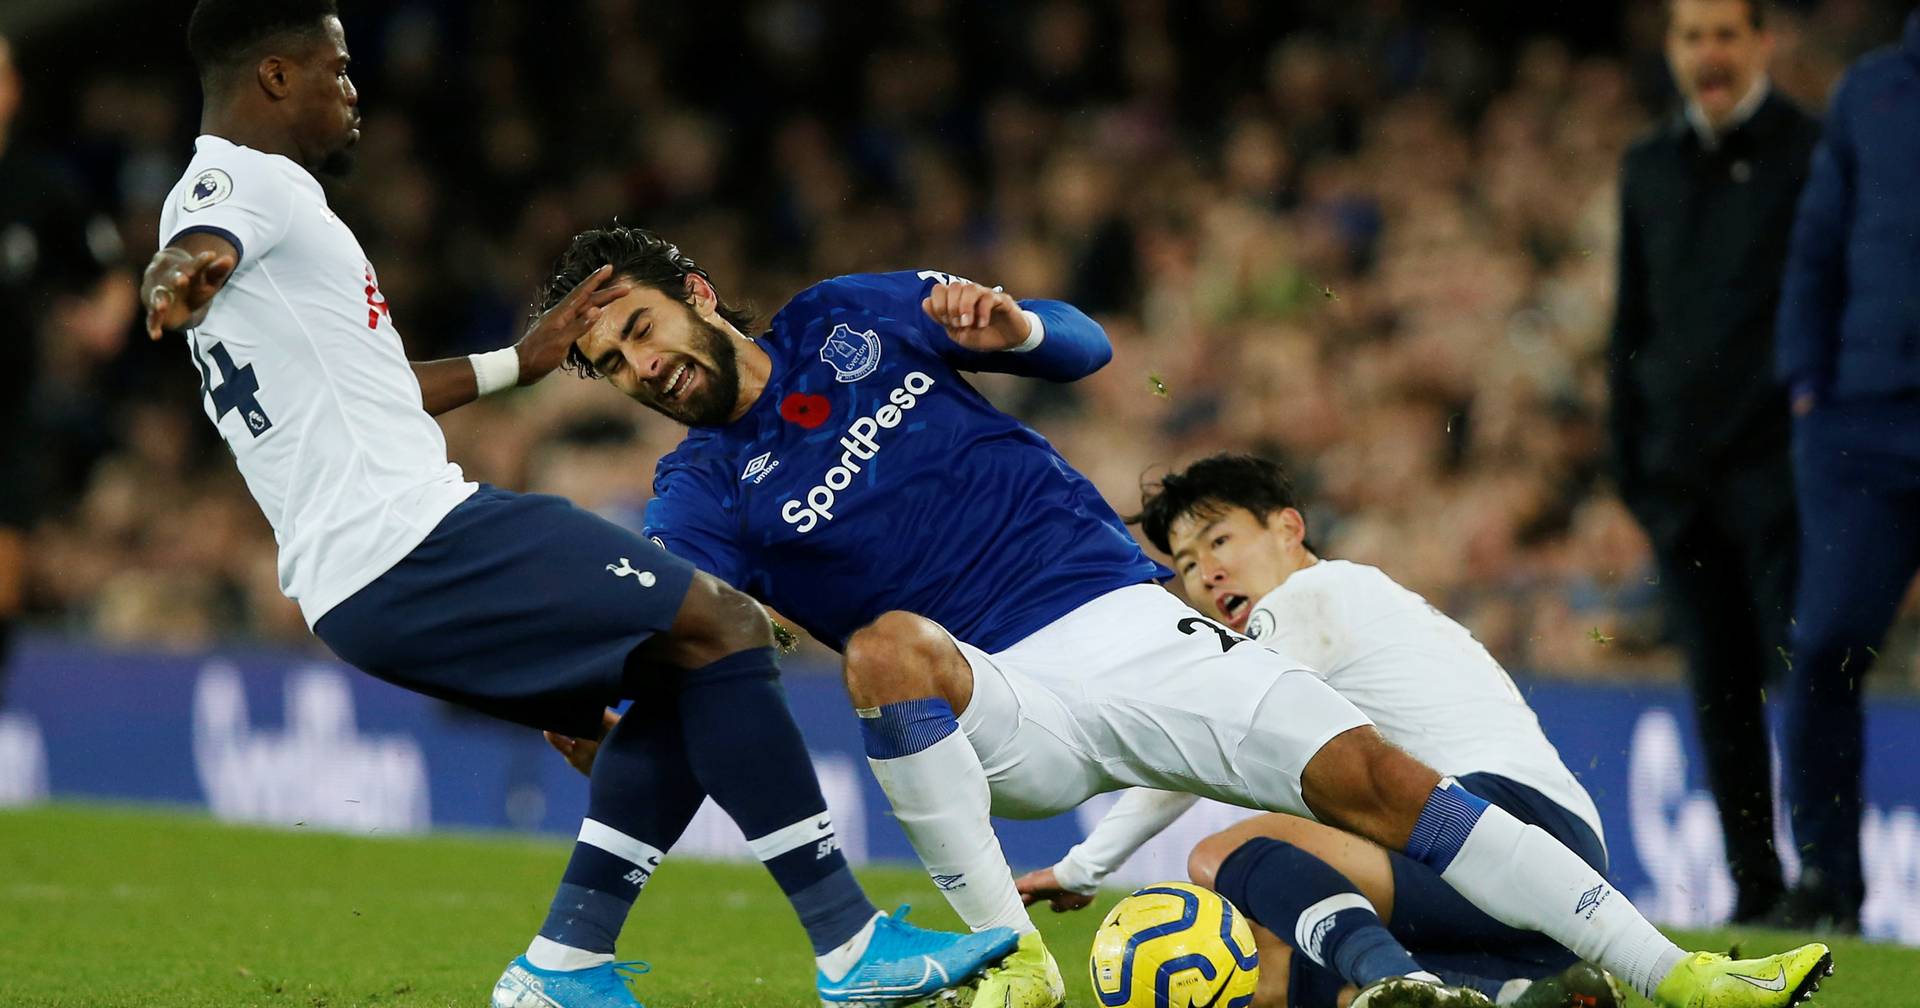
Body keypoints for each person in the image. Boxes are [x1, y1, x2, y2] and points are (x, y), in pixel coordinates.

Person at [538, 222, 1831, 1008]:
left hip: (1131, 621)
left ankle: (1683, 971)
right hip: (1000, 703)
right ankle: (1008, 962)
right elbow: (683, 618)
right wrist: (598, 694)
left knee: (1380, 776)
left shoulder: (846, 317)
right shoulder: (700, 487)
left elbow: (1085, 349)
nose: (640, 368)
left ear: (696, 293)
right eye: (610, 365)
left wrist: (1019, 320)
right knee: (884, 647)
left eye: (639, 330)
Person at [137, 4, 1016, 1007]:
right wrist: (181, 269)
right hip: (411, 539)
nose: (354, 94)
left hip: (364, 576)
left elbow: (371, 385)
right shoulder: (241, 186)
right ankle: (848, 947)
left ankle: (566, 966)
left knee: (688, 675)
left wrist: (526, 359)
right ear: (278, 77)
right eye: (337, 71)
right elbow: (204, 237)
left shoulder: (269, 205)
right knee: (723, 624)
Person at [1012, 454, 1618, 1008]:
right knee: (1268, 968)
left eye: (1221, 540)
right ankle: (1509, 995)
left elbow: (1199, 743)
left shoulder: (1315, 594)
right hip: (1545, 891)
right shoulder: (1354, 603)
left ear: (1288, 530)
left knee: (1222, 854)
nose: (1209, 574)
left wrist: (1083, 867)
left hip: (1510, 822)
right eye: (1189, 564)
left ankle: (1401, 983)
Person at [1607, 0, 1820, 924]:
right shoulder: (1647, 166)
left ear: (1763, 42)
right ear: (1671, 49)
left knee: (1807, 680)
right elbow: (1631, 324)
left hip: (1785, 481)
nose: (1709, 54)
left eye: (1726, 33)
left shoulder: (1813, 155)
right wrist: (1633, 467)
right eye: (1692, 36)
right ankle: (1755, 888)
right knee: (1720, 695)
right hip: (1682, 488)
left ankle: (1828, 877)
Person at [1770, 5, 1920, 934]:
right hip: (1865, 418)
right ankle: (1826, 885)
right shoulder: (1873, 90)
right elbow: (1817, 243)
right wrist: (1806, 385)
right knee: (1824, 646)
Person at [0, 33, 129, 705]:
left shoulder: (38, 189)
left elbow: (108, 275)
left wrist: (107, 315)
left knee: (4, 578)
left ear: (14, 92)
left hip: (7, 417)